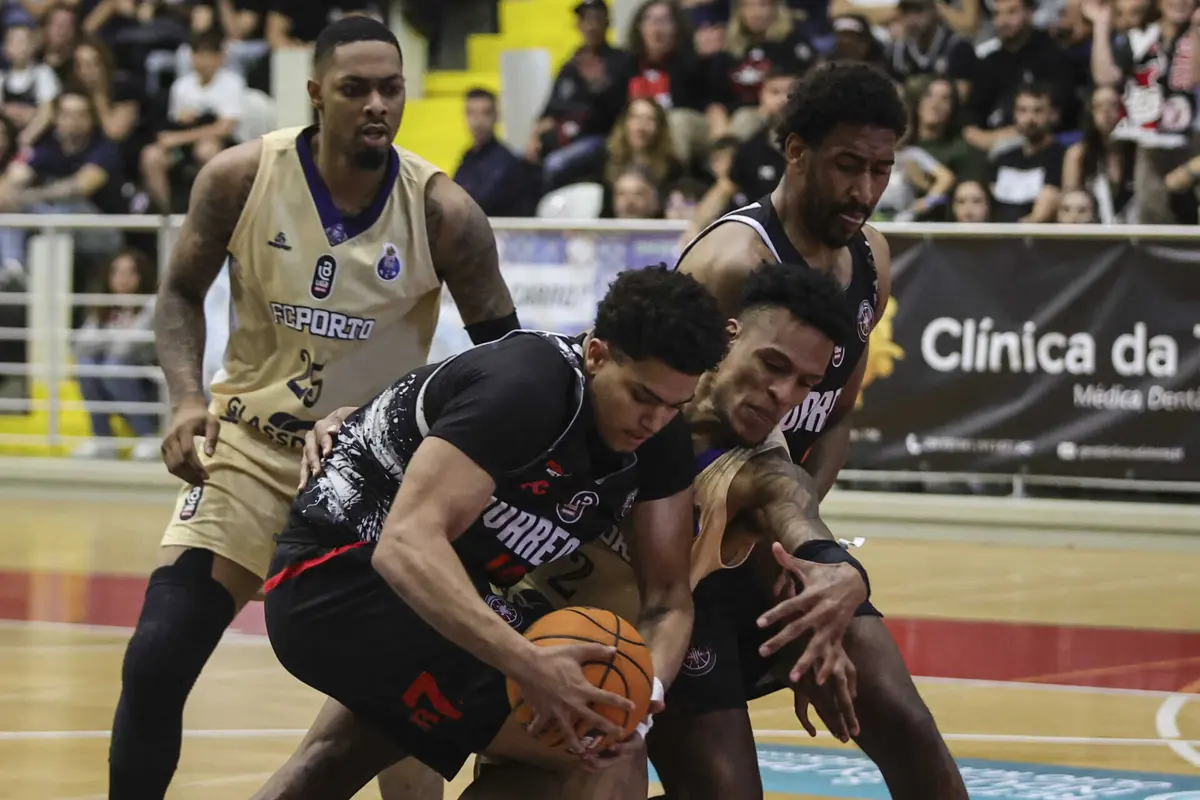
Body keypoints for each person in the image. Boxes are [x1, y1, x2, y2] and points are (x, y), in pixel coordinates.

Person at [108, 16, 520, 800]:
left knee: (400, 726)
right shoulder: (239, 177)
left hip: (373, 480)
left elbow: (511, 362)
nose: (377, 105)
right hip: (250, 453)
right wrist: (187, 398)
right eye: (355, 89)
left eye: (390, 89)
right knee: (158, 655)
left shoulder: (443, 213)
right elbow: (179, 294)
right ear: (314, 96)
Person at [288, 261, 873, 800]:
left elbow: (674, 599)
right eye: (642, 397)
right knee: (597, 755)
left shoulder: (681, 441)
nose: (653, 420)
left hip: (475, 601)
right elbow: (407, 541)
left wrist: (642, 706)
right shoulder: (530, 386)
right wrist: (528, 664)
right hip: (351, 580)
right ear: (597, 354)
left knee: (335, 762)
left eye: (673, 406)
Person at [648, 60, 969, 800]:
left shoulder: (872, 259)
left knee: (905, 724)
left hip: (770, 536)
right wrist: (782, 552)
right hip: (672, 552)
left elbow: (839, 414)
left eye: (882, 169)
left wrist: (801, 552)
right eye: (847, 165)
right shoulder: (731, 262)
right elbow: (650, 428)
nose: (864, 190)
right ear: (795, 150)